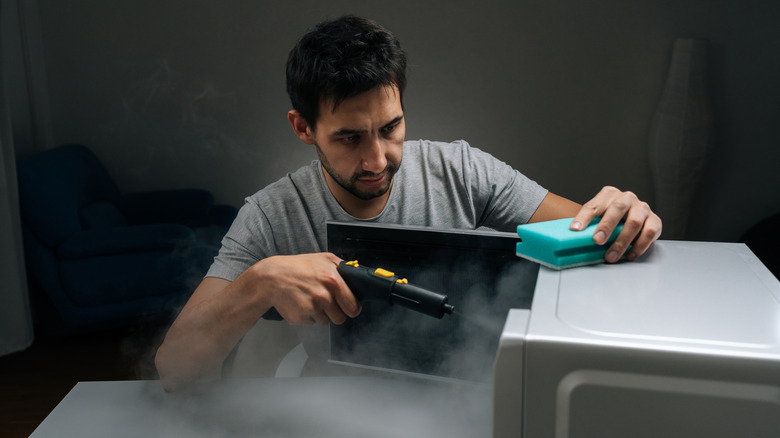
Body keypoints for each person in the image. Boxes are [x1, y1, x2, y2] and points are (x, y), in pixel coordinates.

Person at [155, 15, 662, 391]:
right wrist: (259, 282)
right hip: (336, 406)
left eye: (391, 128)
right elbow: (175, 367)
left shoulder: (462, 171)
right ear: (303, 128)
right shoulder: (270, 214)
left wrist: (625, 219)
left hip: (463, 395)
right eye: (350, 138)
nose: (377, 159)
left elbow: (589, 238)